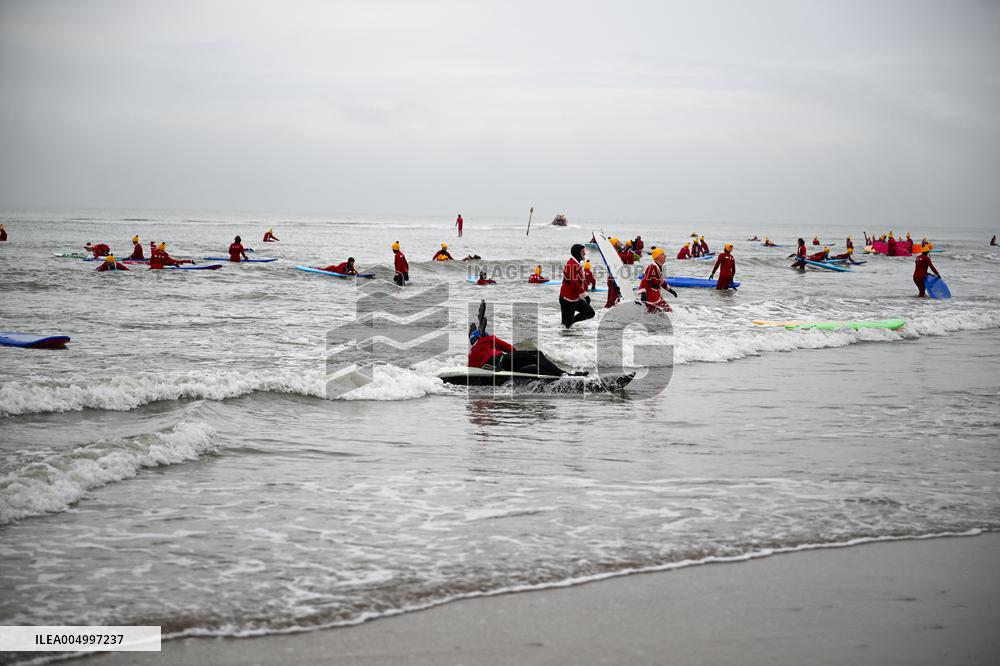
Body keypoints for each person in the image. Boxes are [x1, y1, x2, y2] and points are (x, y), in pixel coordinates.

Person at [467, 323, 573, 377]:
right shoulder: (487, 339)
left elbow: (471, 367)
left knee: (534, 368)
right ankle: (563, 374)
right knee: (537, 354)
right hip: (504, 361)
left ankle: (554, 376)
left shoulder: (471, 353)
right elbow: (511, 349)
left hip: (500, 367)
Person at [559, 244, 595, 328]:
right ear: (577, 253)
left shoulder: (575, 263)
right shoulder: (571, 264)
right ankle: (562, 336)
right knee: (565, 326)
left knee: (590, 313)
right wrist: (585, 295)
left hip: (574, 298)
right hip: (567, 299)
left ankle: (571, 322)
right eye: (582, 252)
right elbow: (574, 282)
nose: (584, 254)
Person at [638, 248, 676, 313]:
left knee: (667, 312)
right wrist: (643, 294)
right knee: (667, 312)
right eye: (663, 254)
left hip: (656, 296)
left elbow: (661, 282)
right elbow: (644, 280)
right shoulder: (652, 267)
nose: (665, 256)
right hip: (651, 297)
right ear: (657, 257)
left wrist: (671, 291)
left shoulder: (658, 267)